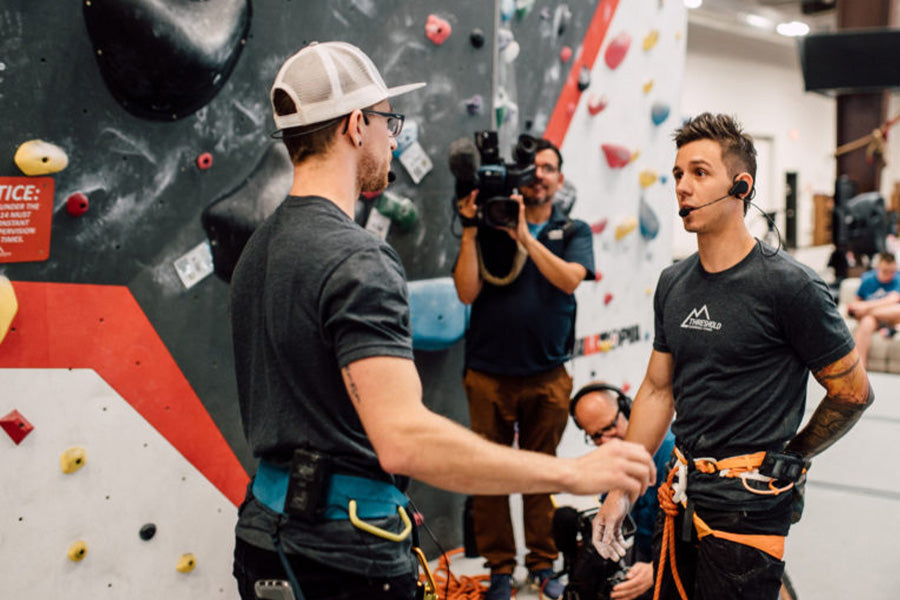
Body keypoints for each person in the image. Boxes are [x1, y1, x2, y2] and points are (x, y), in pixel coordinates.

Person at [229, 41, 656, 600]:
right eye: (387, 121)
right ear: (356, 126)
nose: (392, 135)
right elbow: (404, 440)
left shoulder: (258, 250)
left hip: (264, 534)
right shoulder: (358, 257)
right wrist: (574, 474)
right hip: (343, 559)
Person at [591, 112, 873, 599]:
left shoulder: (791, 286)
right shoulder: (673, 283)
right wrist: (622, 488)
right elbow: (658, 390)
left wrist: (793, 456)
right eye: (678, 174)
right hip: (680, 493)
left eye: (700, 173)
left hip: (749, 505)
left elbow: (853, 392)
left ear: (741, 186)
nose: (683, 186)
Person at [453, 138, 596, 600]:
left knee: (540, 474)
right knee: (490, 476)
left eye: (548, 168)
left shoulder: (573, 230)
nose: (539, 175)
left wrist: (525, 238)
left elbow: (570, 279)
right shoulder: (488, 229)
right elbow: (466, 293)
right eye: (532, 168)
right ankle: (499, 569)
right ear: (519, 178)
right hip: (488, 376)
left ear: (559, 178)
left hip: (548, 376)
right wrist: (472, 227)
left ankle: (542, 564)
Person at [564, 382, 675, 600]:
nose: (605, 441)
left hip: (676, 559)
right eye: (596, 436)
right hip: (642, 552)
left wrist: (657, 570)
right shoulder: (615, 459)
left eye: (609, 428)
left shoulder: (671, 451)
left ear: (627, 409)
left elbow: (699, 538)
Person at [846, 251, 900, 369]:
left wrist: (865, 307)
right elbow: (856, 302)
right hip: (874, 319)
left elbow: (893, 300)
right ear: (878, 267)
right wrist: (862, 307)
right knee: (866, 322)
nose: (889, 275)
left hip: (892, 317)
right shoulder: (867, 279)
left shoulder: (897, 278)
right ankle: (860, 368)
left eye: (892, 271)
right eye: (885, 271)